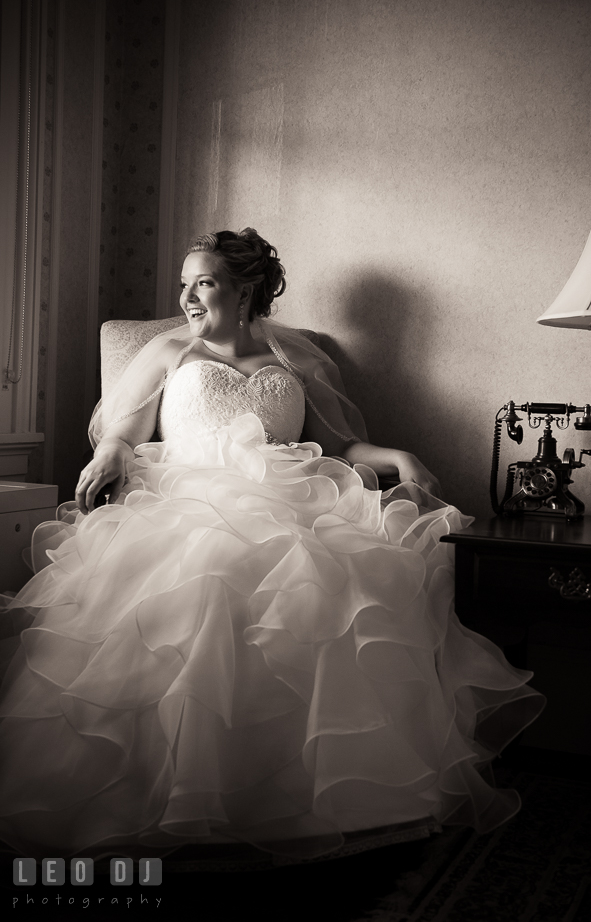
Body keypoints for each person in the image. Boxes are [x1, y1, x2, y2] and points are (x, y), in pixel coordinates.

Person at [0, 229, 544, 862]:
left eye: (201, 282)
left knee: (339, 582)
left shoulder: (300, 362)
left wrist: (400, 454)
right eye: (185, 283)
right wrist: (113, 453)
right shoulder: (168, 351)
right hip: (187, 499)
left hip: (293, 496)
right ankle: (178, 789)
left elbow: (341, 449)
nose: (186, 297)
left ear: (246, 288)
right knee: (209, 571)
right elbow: (121, 433)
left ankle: (317, 789)